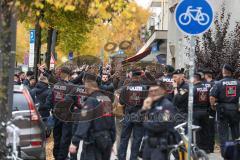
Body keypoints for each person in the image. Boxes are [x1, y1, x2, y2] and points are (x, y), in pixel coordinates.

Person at [69, 73, 115, 160]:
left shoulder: (91, 101)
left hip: (93, 142)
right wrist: (112, 141)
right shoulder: (106, 99)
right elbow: (111, 120)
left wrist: (75, 142)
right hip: (106, 140)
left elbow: (85, 122)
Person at [210, 64, 240, 157]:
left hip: (222, 110)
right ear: (231, 72)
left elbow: (212, 97)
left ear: (223, 72)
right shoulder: (238, 83)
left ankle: (226, 155)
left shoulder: (218, 83)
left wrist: (213, 106)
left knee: (223, 134)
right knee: (236, 133)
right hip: (235, 109)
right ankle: (237, 154)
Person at [141, 82, 177, 160]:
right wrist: (144, 108)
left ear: (163, 91)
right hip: (148, 144)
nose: (153, 93)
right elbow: (137, 121)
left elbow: (160, 125)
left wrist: (144, 121)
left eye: (156, 90)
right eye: (151, 91)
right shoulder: (151, 104)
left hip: (160, 145)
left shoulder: (167, 105)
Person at [117, 69, 148, 160]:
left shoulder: (125, 88)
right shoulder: (144, 88)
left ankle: (121, 158)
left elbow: (121, 102)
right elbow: (147, 103)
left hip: (128, 115)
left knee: (124, 138)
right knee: (137, 139)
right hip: (139, 116)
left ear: (132, 77)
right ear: (139, 77)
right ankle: (133, 158)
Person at [45, 66, 74, 160]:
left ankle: (56, 155)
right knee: (65, 138)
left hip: (56, 116)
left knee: (57, 137)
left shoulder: (55, 86)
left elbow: (48, 102)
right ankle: (62, 157)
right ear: (68, 75)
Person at [192, 72, 210, 152]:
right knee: (205, 130)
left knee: (196, 131)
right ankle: (205, 148)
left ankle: (197, 148)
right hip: (205, 111)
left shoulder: (193, 88)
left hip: (196, 111)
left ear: (194, 79)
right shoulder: (206, 87)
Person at [203, 69, 216, 153]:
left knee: (206, 129)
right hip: (214, 109)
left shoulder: (205, 85)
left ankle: (207, 147)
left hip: (207, 109)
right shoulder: (216, 83)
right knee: (211, 129)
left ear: (206, 76)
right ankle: (211, 147)